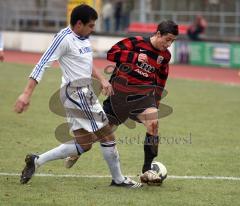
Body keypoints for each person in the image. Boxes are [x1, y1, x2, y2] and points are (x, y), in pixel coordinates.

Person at [14, 4, 142, 188]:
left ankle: (36, 161)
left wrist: (102, 80)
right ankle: (119, 180)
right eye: (90, 26)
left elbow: (87, 63)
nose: (93, 29)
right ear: (79, 23)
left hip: (81, 93)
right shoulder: (63, 38)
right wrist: (26, 93)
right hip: (77, 93)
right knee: (107, 136)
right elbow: (42, 64)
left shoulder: (83, 38)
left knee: (84, 144)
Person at [65, 20, 179, 185]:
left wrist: (157, 101)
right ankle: (77, 150)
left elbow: (161, 80)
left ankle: (147, 170)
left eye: (173, 41)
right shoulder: (136, 42)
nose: (169, 44)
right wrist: (134, 56)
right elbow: (111, 53)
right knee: (102, 134)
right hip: (119, 96)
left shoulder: (165, 57)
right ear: (158, 34)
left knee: (153, 124)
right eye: (167, 39)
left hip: (143, 97)